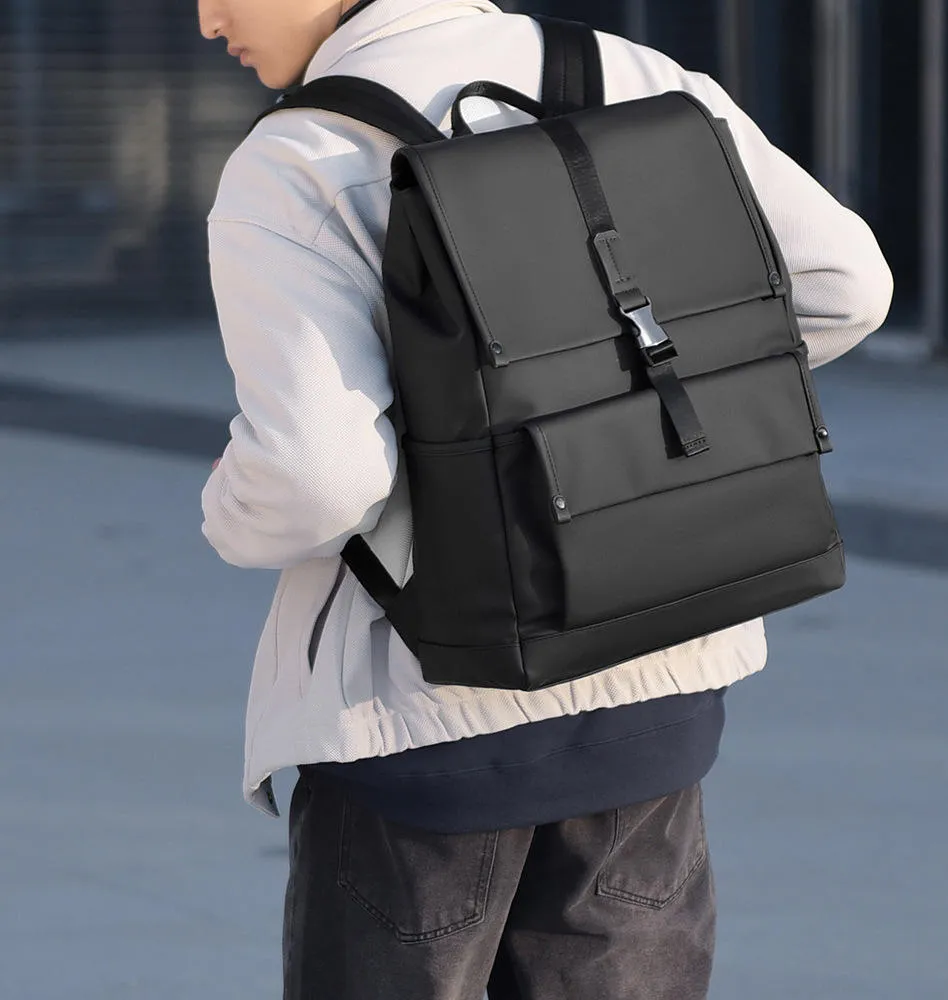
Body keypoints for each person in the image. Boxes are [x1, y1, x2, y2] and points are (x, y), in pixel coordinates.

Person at [197, 1, 893, 997]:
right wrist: (625, 423)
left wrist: (228, 512)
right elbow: (846, 283)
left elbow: (318, 474)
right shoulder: (628, 74)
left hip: (420, 718)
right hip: (654, 688)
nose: (206, 19)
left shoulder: (304, 156)